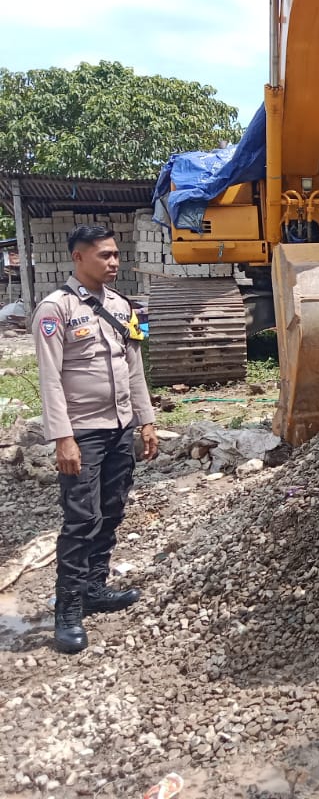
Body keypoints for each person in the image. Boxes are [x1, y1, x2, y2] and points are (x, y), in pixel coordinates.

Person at [32, 225, 158, 654]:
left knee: (111, 509)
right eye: (104, 255)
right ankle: (67, 610)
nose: (114, 262)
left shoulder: (123, 307)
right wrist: (62, 438)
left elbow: (134, 369)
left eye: (116, 255)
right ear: (79, 258)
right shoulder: (56, 309)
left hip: (120, 426)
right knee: (81, 519)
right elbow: (49, 380)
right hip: (82, 432)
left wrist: (146, 421)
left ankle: (94, 588)